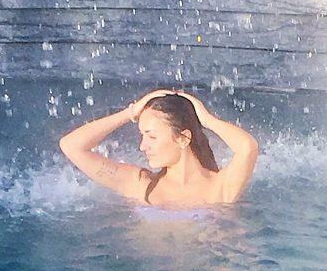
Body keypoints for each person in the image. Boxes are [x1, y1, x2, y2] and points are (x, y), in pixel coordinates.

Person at [58, 88, 259, 209]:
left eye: (152, 136)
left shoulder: (220, 187)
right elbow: (72, 146)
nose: (142, 146)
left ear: (183, 138)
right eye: (142, 135)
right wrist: (130, 112)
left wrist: (206, 120)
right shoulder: (141, 186)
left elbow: (247, 147)